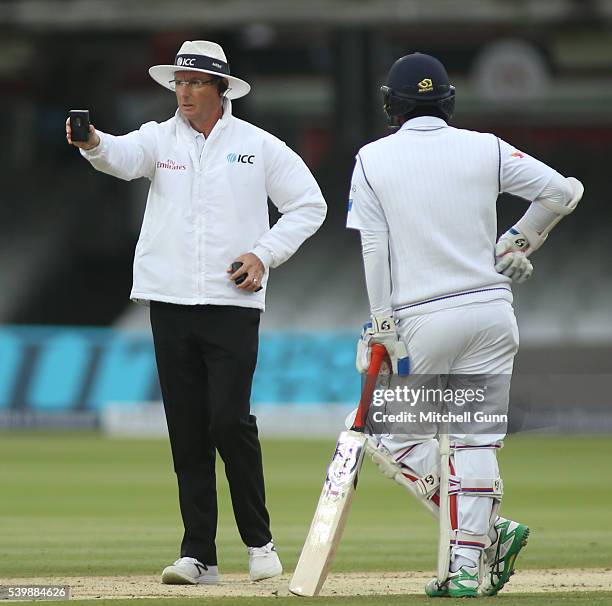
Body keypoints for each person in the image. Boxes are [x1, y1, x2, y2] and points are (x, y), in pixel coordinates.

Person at [67, 40, 327, 585]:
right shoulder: (158, 139)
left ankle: (260, 543)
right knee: (186, 429)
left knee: (229, 421)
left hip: (231, 304)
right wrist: (91, 141)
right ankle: (199, 556)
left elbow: (310, 204)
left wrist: (264, 253)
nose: (182, 92)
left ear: (221, 89)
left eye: (194, 83)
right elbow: (119, 154)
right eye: (178, 83)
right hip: (169, 301)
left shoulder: (258, 146)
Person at [346, 52, 583, 597]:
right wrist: (518, 242)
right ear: (447, 100)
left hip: (423, 318)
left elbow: (375, 244)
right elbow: (564, 192)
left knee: (395, 440)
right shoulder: (488, 146)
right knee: (476, 445)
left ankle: (492, 532)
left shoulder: (372, 158)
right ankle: (467, 569)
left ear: (392, 103)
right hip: (492, 313)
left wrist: (381, 318)